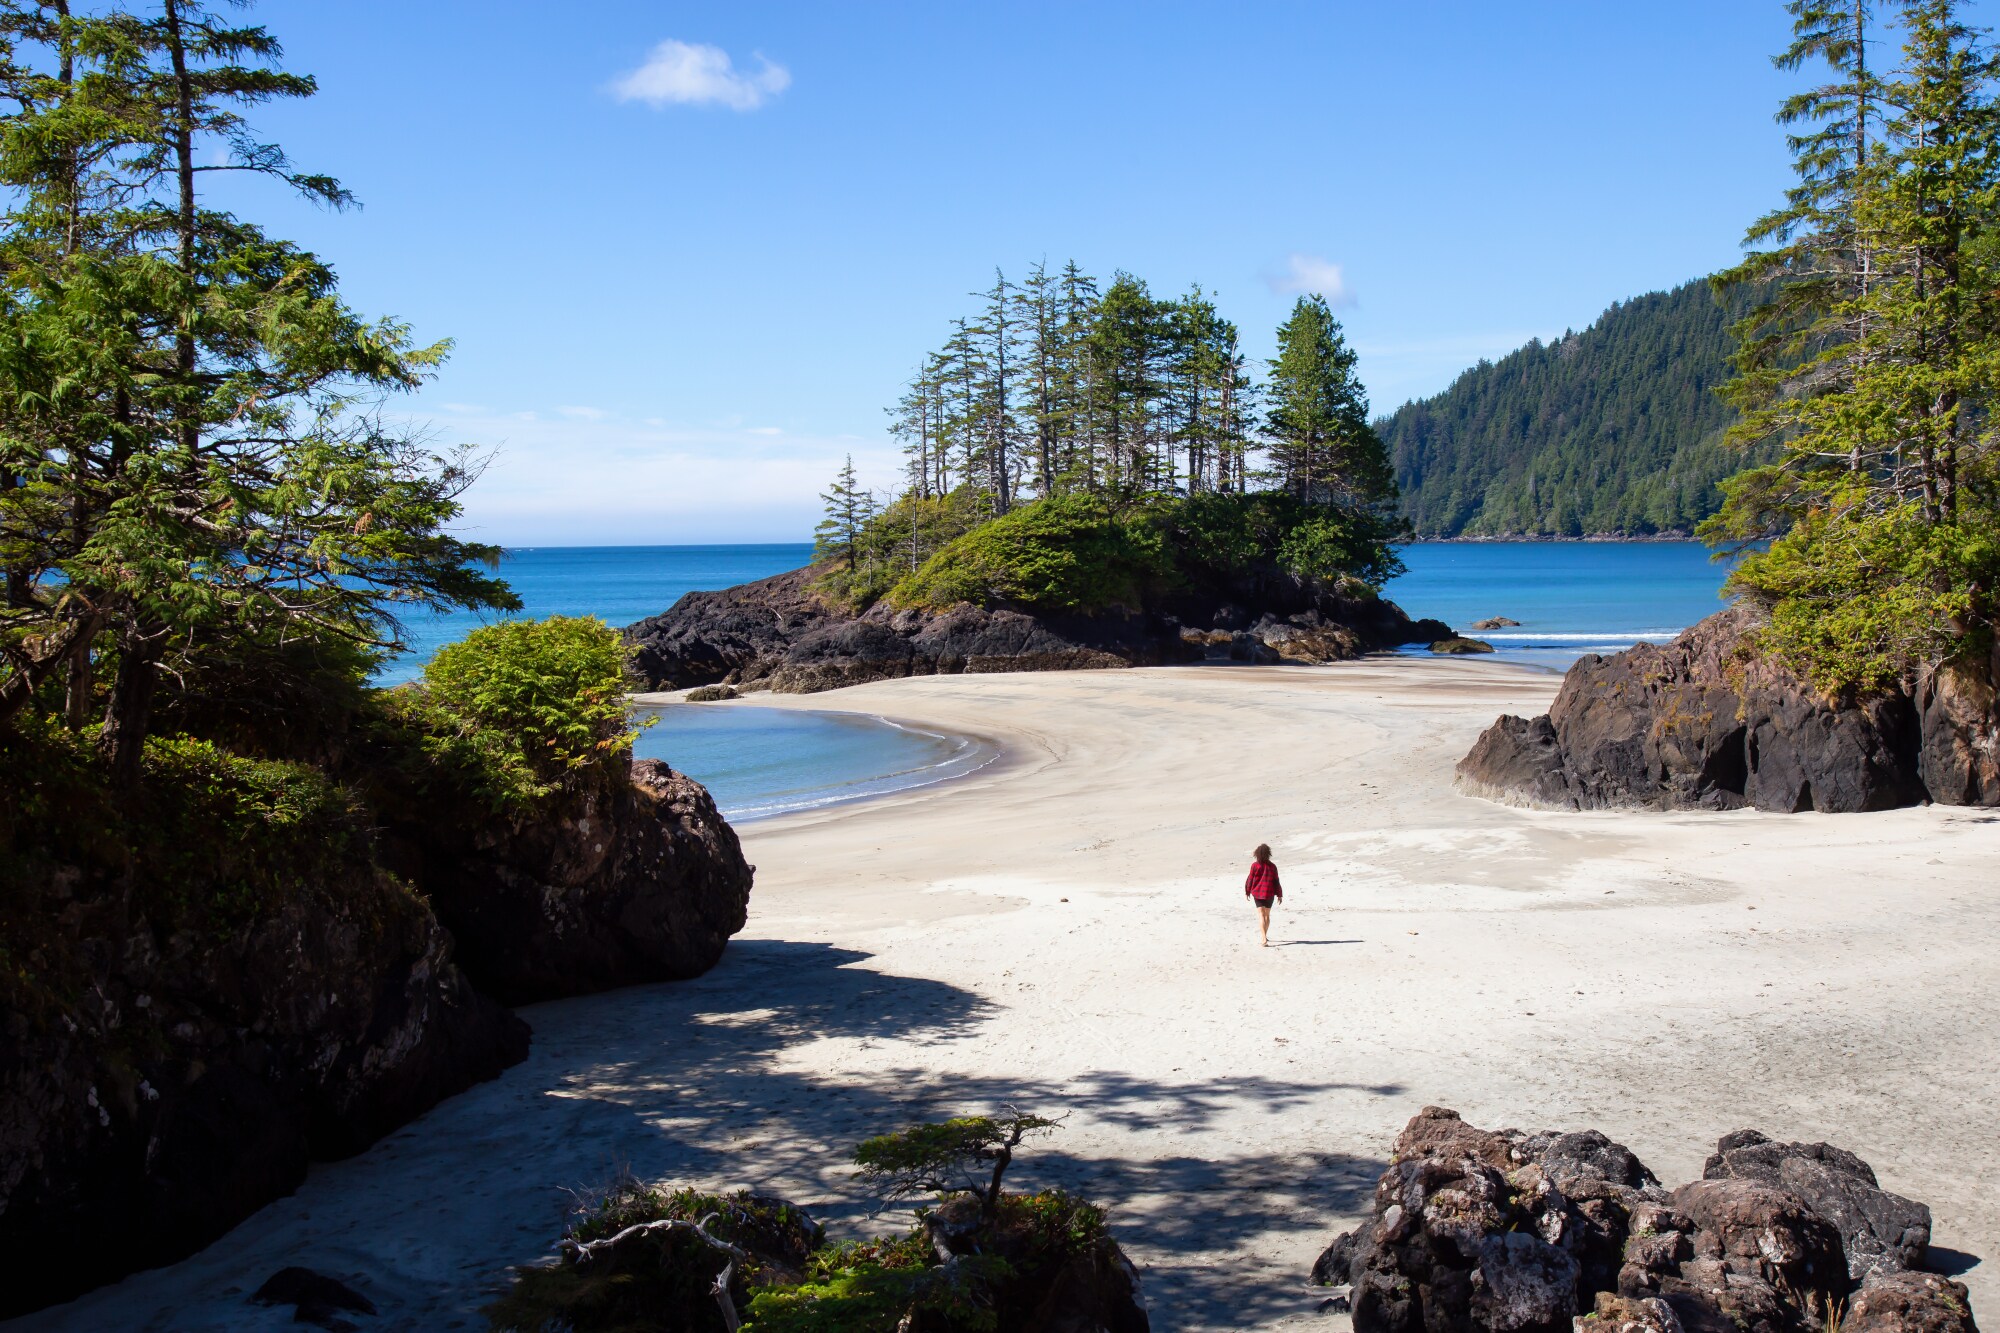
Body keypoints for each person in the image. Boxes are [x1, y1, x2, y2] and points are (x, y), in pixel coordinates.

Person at [1244, 843, 1282, 946]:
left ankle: (1263, 937)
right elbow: (1276, 881)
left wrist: (1247, 891)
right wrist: (1279, 894)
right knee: (1267, 915)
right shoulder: (1272, 866)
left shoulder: (1255, 866)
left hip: (1258, 893)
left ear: (1257, 854)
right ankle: (1265, 935)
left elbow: (1250, 879)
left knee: (1261, 915)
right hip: (1269, 893)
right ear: (1268, 853)